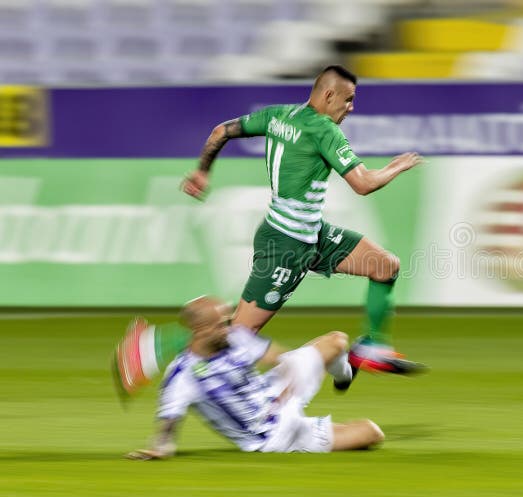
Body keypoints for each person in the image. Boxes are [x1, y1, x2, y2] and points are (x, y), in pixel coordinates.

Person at [114, 65, 426, 398]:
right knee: (238, 334)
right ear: (328, 94)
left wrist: (202, 171)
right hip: (286, 245)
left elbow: (221, 131)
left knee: (384, 265)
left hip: (312, 234)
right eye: (348, 100)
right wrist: (395, 168)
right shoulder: (324, 130)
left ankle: (371, 348)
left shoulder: (278, 116)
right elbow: (362, 184)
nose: (351, 107)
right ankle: (151, 346)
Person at [125, 296, 384, 460]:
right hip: (275, 435)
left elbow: (278, 356)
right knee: (372, 433)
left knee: (336, 341)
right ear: (201, 331)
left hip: (275, 391)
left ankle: (345, 376)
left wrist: (290, 375)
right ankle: (326, 430)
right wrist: (159, 448)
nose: (229, 327)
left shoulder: (235, 336)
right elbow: (168, 427)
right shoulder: (183, 377)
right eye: (222, 324)